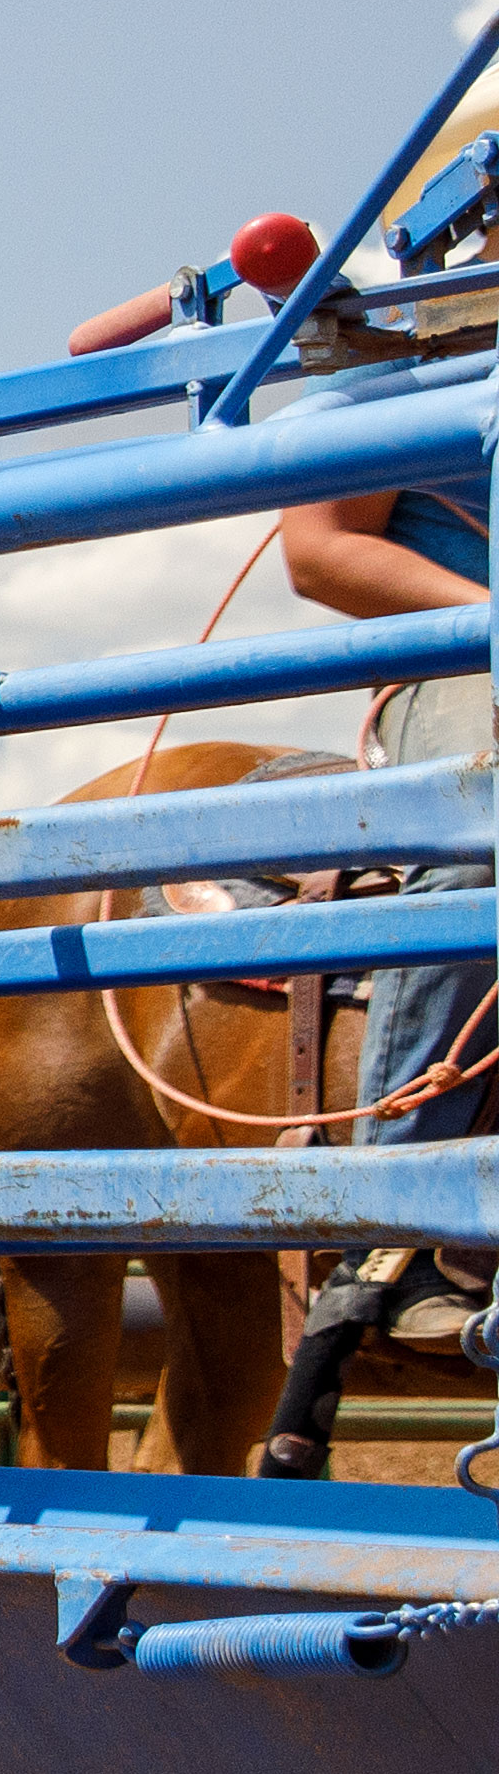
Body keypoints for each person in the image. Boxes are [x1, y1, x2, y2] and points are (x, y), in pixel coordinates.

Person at [264, 452, 493, 1474]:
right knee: (481, 845)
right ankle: (395, 1233)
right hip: (462, 652)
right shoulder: (379, 366)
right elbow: (319, 551)